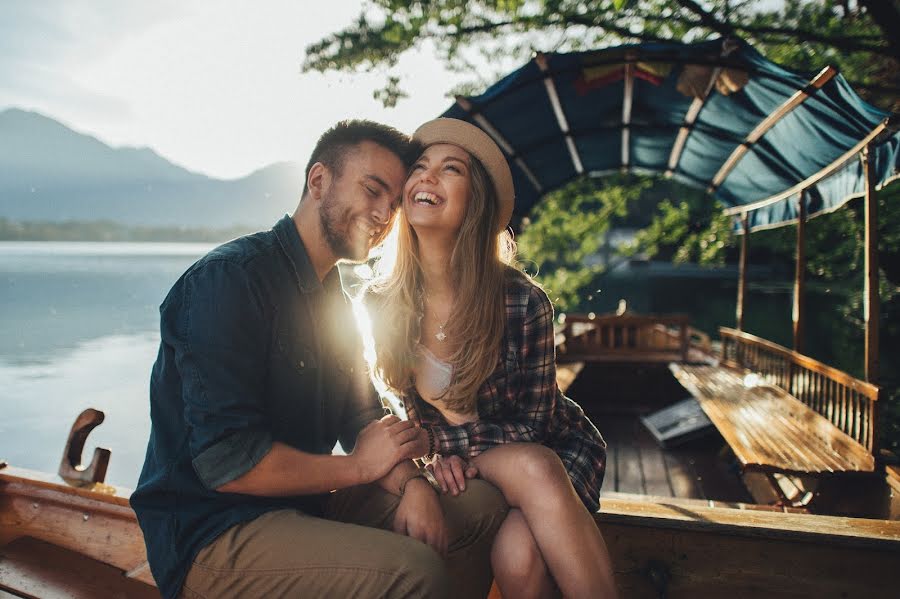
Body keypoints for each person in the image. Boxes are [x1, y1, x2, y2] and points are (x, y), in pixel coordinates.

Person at [130, 120, 508, 599]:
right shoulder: (227, 281)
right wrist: (359, 469)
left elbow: (362, 417)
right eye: (372, 191)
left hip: (304, 507)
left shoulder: (336, 300)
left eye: (392, 205)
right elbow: (230, 465)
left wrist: (414, 484)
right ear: (318, 181)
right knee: (413, 571)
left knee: (477, 506)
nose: (383, 216)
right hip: (210, 535)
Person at [366, 118, 618, 599]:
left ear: (474, 201)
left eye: (450, 169)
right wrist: (432, 461)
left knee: (528, 507)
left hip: (555, 454)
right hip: (467, 462)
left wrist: (447, 449)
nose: (427, 177)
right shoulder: (382, 302)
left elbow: (536, 426)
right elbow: (392, 412)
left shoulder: (523, 301)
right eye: (418, 168)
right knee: (516, 555)